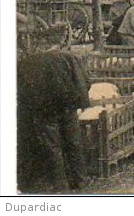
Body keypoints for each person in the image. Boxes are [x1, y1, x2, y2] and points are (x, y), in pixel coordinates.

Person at [17, 27, 90, 192]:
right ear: (60, 41)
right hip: (67, 108)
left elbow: (22, 90)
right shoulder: (68, 57)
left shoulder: (28, 62)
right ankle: (80, 181)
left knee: (53, 147)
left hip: (44, 111)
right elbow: (84, 82)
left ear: (42, 43)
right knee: (73, 142)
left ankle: (60, 185)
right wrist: (80, 103)